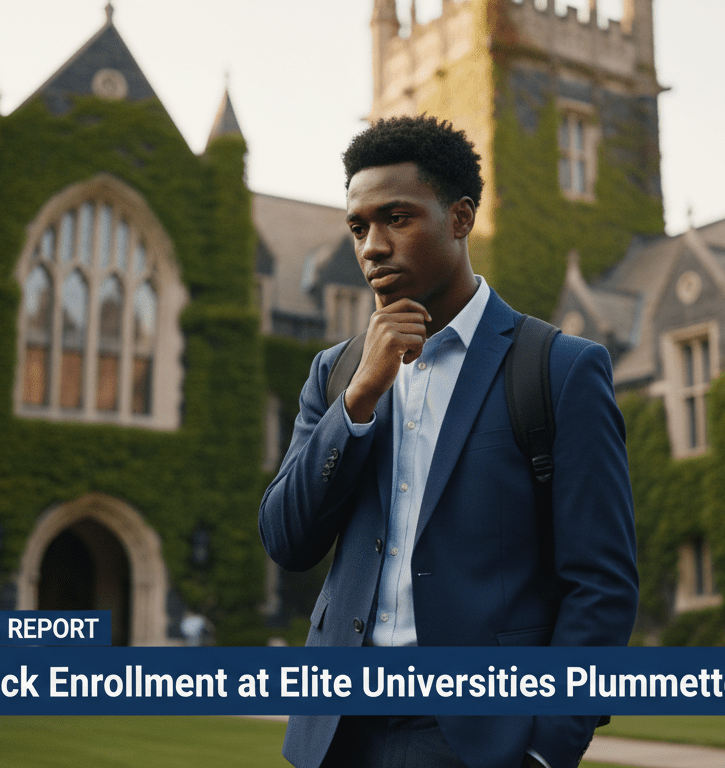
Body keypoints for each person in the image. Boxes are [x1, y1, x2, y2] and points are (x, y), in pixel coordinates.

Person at [258, 115, 638, 768]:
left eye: (397, 218)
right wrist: (357, 403)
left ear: (460, 219)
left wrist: (548, 750)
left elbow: (601, 586)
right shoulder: (336, 373)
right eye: (359, 227)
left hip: (475, 737)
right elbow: (287, 540)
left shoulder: (558, 368)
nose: (373, 246)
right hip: (335, 734)